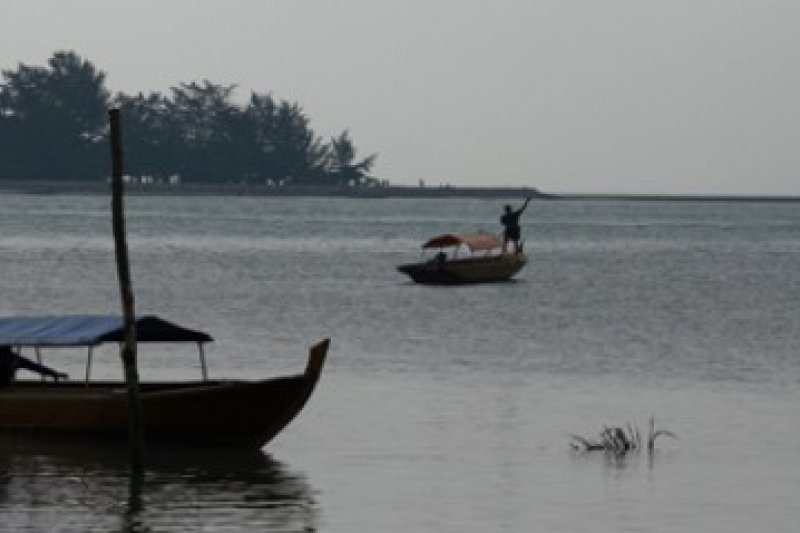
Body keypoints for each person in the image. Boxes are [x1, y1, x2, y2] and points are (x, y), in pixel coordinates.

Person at [0, 345, 67, 386]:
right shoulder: (15, 359)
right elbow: (36, 367)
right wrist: (53, 373)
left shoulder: (14, 359)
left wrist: (53, 373)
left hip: (5, 382)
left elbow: (36, 367)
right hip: (6, 382)